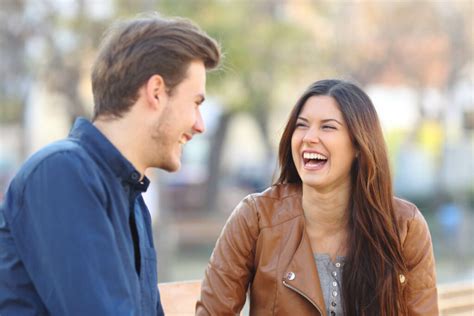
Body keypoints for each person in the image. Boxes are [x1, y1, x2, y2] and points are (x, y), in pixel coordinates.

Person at [0, 13, 220, 315]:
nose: (200, 125)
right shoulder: (63, 173)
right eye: (196, 103)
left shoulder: (131, 201)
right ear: (156, 91)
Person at [196, 79, 438, 315]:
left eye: (328, 127)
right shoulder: (257, 217)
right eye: (301, 125)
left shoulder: (404, 227)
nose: (309, 137)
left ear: (358, 145)